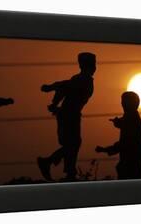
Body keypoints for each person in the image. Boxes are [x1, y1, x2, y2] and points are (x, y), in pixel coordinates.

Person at [37, 52, 96, 181]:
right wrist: (51, 90)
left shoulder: (81, 79)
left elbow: (64, 88)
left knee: (72, 144)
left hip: (71, 114)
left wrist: (54, 102)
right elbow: (63, 86)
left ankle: (66, 170)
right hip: (69, 115)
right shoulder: (81, 80)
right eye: (93, 64)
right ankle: (54, 165)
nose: (95, 67)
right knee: (73, 144)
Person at [95, 91, 141, 180]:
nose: (122, 104)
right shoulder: (131, 117)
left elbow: (125, 143)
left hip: (130, 160)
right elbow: (123, 123)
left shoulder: (131, 119)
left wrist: (105, 149)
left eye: (124, 102)